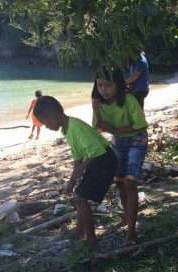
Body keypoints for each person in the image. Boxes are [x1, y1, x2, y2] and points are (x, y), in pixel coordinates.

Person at [33, 96, 117, 248]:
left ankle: (91, 238)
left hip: (104, 160)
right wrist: (72, 181)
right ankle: (80, 231)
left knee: (80, 197)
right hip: (96, 160)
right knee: (79, 195)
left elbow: (95, 151)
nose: (45, 127)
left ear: (52, 116)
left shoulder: (75, 126)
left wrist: (80, 171)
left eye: (45, 123)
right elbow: (77, 157)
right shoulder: (66, 129)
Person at [91, 66, 148, 242]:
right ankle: (127, 216)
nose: (104, 90)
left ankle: (131, 232)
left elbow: (141, 126)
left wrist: (114, 129)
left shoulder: (129, 100)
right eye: (100, 85)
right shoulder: (99, 104)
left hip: (137, 139)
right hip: (118, 141)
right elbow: (97, 128)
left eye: (108, 85)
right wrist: (96, 110)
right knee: (119, 182)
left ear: (118, 85)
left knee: (130, 182)